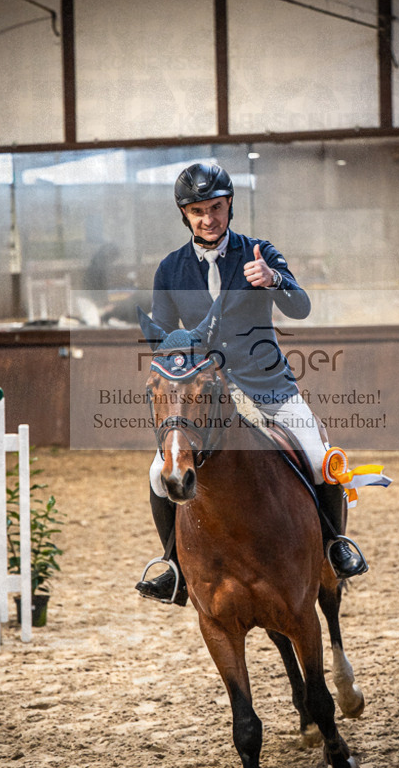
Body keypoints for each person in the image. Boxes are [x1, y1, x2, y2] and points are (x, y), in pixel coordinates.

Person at [136, 161, 367, 605]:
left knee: (320, 458)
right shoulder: (169, 270)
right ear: (185, 215)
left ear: (230, 206)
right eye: (198, 211)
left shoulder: (259, 252)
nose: (209, 218)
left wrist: (275, 280)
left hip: (268, 385)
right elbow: (166, 339)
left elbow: (300, 307)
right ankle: (173, 568)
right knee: (156, 474)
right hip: (207, 396)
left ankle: (335, 548)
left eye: (217, 208)